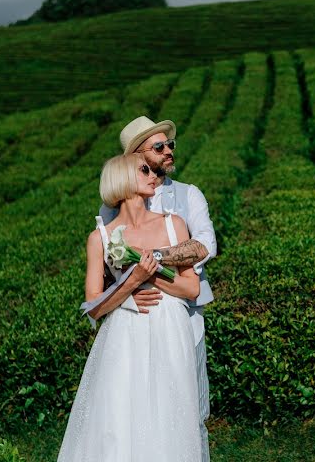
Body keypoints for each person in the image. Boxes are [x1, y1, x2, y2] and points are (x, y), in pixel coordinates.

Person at [59, 154, 202, 461]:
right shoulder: (100, 238)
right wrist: (129, 287)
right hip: (123, 333)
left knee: (168, 414)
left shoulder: (174, 225)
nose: (154, 174)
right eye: (145, 170)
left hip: (169, 327)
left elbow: (192, 287)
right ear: (122, 178)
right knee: (119, 415)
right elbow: (93, 307)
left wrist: (150, 274)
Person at [99, 116, 217, 461]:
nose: (168, 151)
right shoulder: (111, 208)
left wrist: (149, 260)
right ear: (137, 155)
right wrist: (130, 288)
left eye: (170, 145)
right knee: (134, 414)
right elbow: (109, 263)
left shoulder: (189, 195)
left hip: (185, 318)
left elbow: (205, 244)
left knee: (191, 413)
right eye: (159, 146)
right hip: (135, 321)